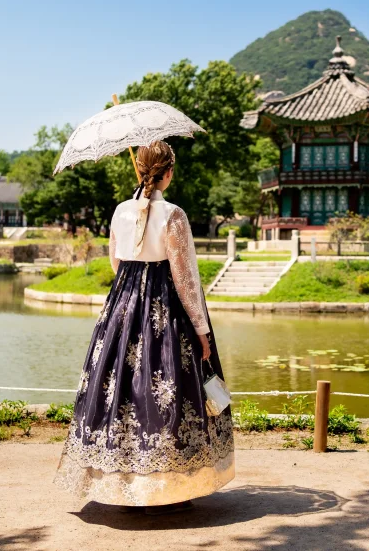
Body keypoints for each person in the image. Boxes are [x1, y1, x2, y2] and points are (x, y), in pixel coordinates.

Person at [54, 140, 234, 513]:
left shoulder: (120, 211)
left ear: (139, 169)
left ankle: (124, 485)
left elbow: (116, 263)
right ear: (169, 172)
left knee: (120, 392)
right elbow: (185, 277)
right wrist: (201, 330)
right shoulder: (174, 215)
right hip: (164, 308)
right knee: (167, 392)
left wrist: (133, 285)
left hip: (122, 307)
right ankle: (167, 489)